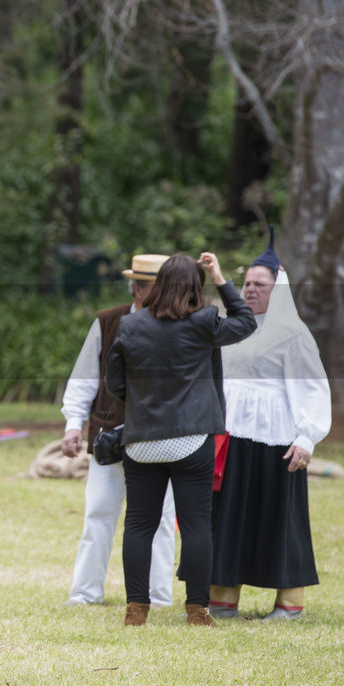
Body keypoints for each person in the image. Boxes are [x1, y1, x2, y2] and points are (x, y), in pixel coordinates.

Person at [105, 253, 255, 626]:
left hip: (142, 440)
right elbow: (246, 322)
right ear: (195, 287)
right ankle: (197, 610)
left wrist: (141, 404)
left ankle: (136, 610)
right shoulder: (204, 323)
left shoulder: (130, 325)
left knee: (140, 524)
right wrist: (221, 278)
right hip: (191, 439)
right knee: (196, 525)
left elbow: (115, 383)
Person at [209, 229, 331, 620]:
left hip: (277, 441)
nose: (250, 290)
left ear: (278, 289)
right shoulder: (231, 329)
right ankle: (223, 599)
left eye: (259, 285)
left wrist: (306, 438)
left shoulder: (293, 335)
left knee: (280, 519)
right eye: (246, 283)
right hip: (232, 437)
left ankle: (289, 604)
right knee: (228, 518)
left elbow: (313, 389)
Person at [62, 254, 177, 608]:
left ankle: (158, 596)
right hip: (110, 434)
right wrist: (73, 425)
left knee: (160, 519)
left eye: (145, 283)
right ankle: (85, 593)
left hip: (161, 438)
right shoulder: (108, 321)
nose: (137, 290)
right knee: (98, 512)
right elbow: (83, 378)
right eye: (135, 282)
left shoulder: (181, 326)